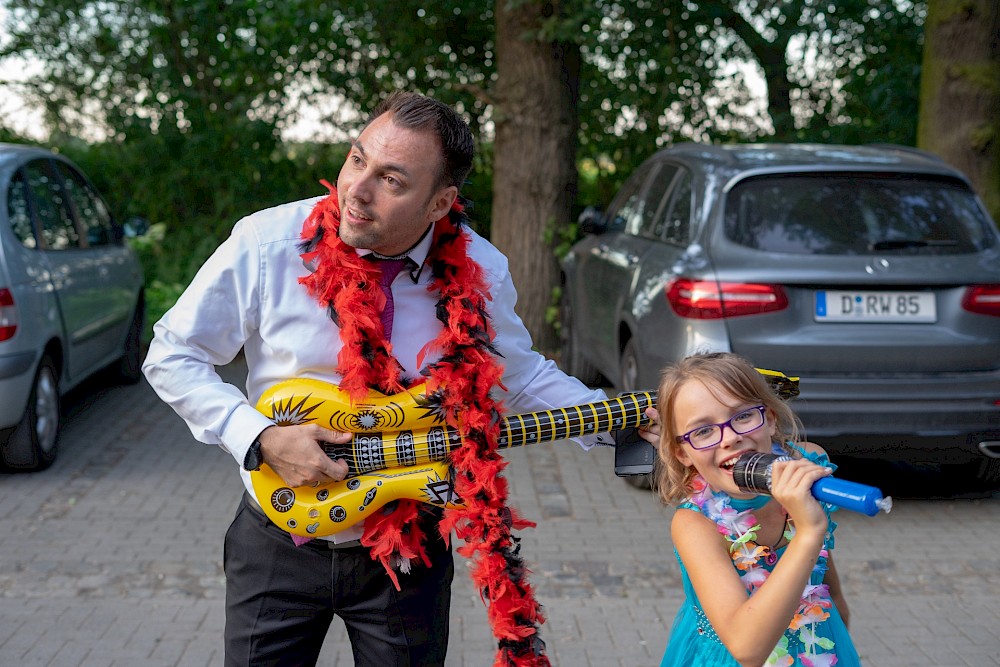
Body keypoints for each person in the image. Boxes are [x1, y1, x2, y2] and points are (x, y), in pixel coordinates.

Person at [142, 91, 652, 667]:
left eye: (391, 179)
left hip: (409, 550)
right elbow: (172, 354)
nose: (355, 190)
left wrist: (631, 421)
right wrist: (257, 437)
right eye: (357, 159)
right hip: (276, 541)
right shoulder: (268, 245)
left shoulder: (479, 268)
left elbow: (520, 374)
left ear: (440, 203)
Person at [654, 352, 861, 667]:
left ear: (770, 418)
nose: (731, 438)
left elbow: (824, 576)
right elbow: (746, 648)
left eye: (743, 415)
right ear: (682, 453)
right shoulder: (695, 524)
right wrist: (807, 530)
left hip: (818, 642)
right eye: (703, 431)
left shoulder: (805, 464)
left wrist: (841, 613)